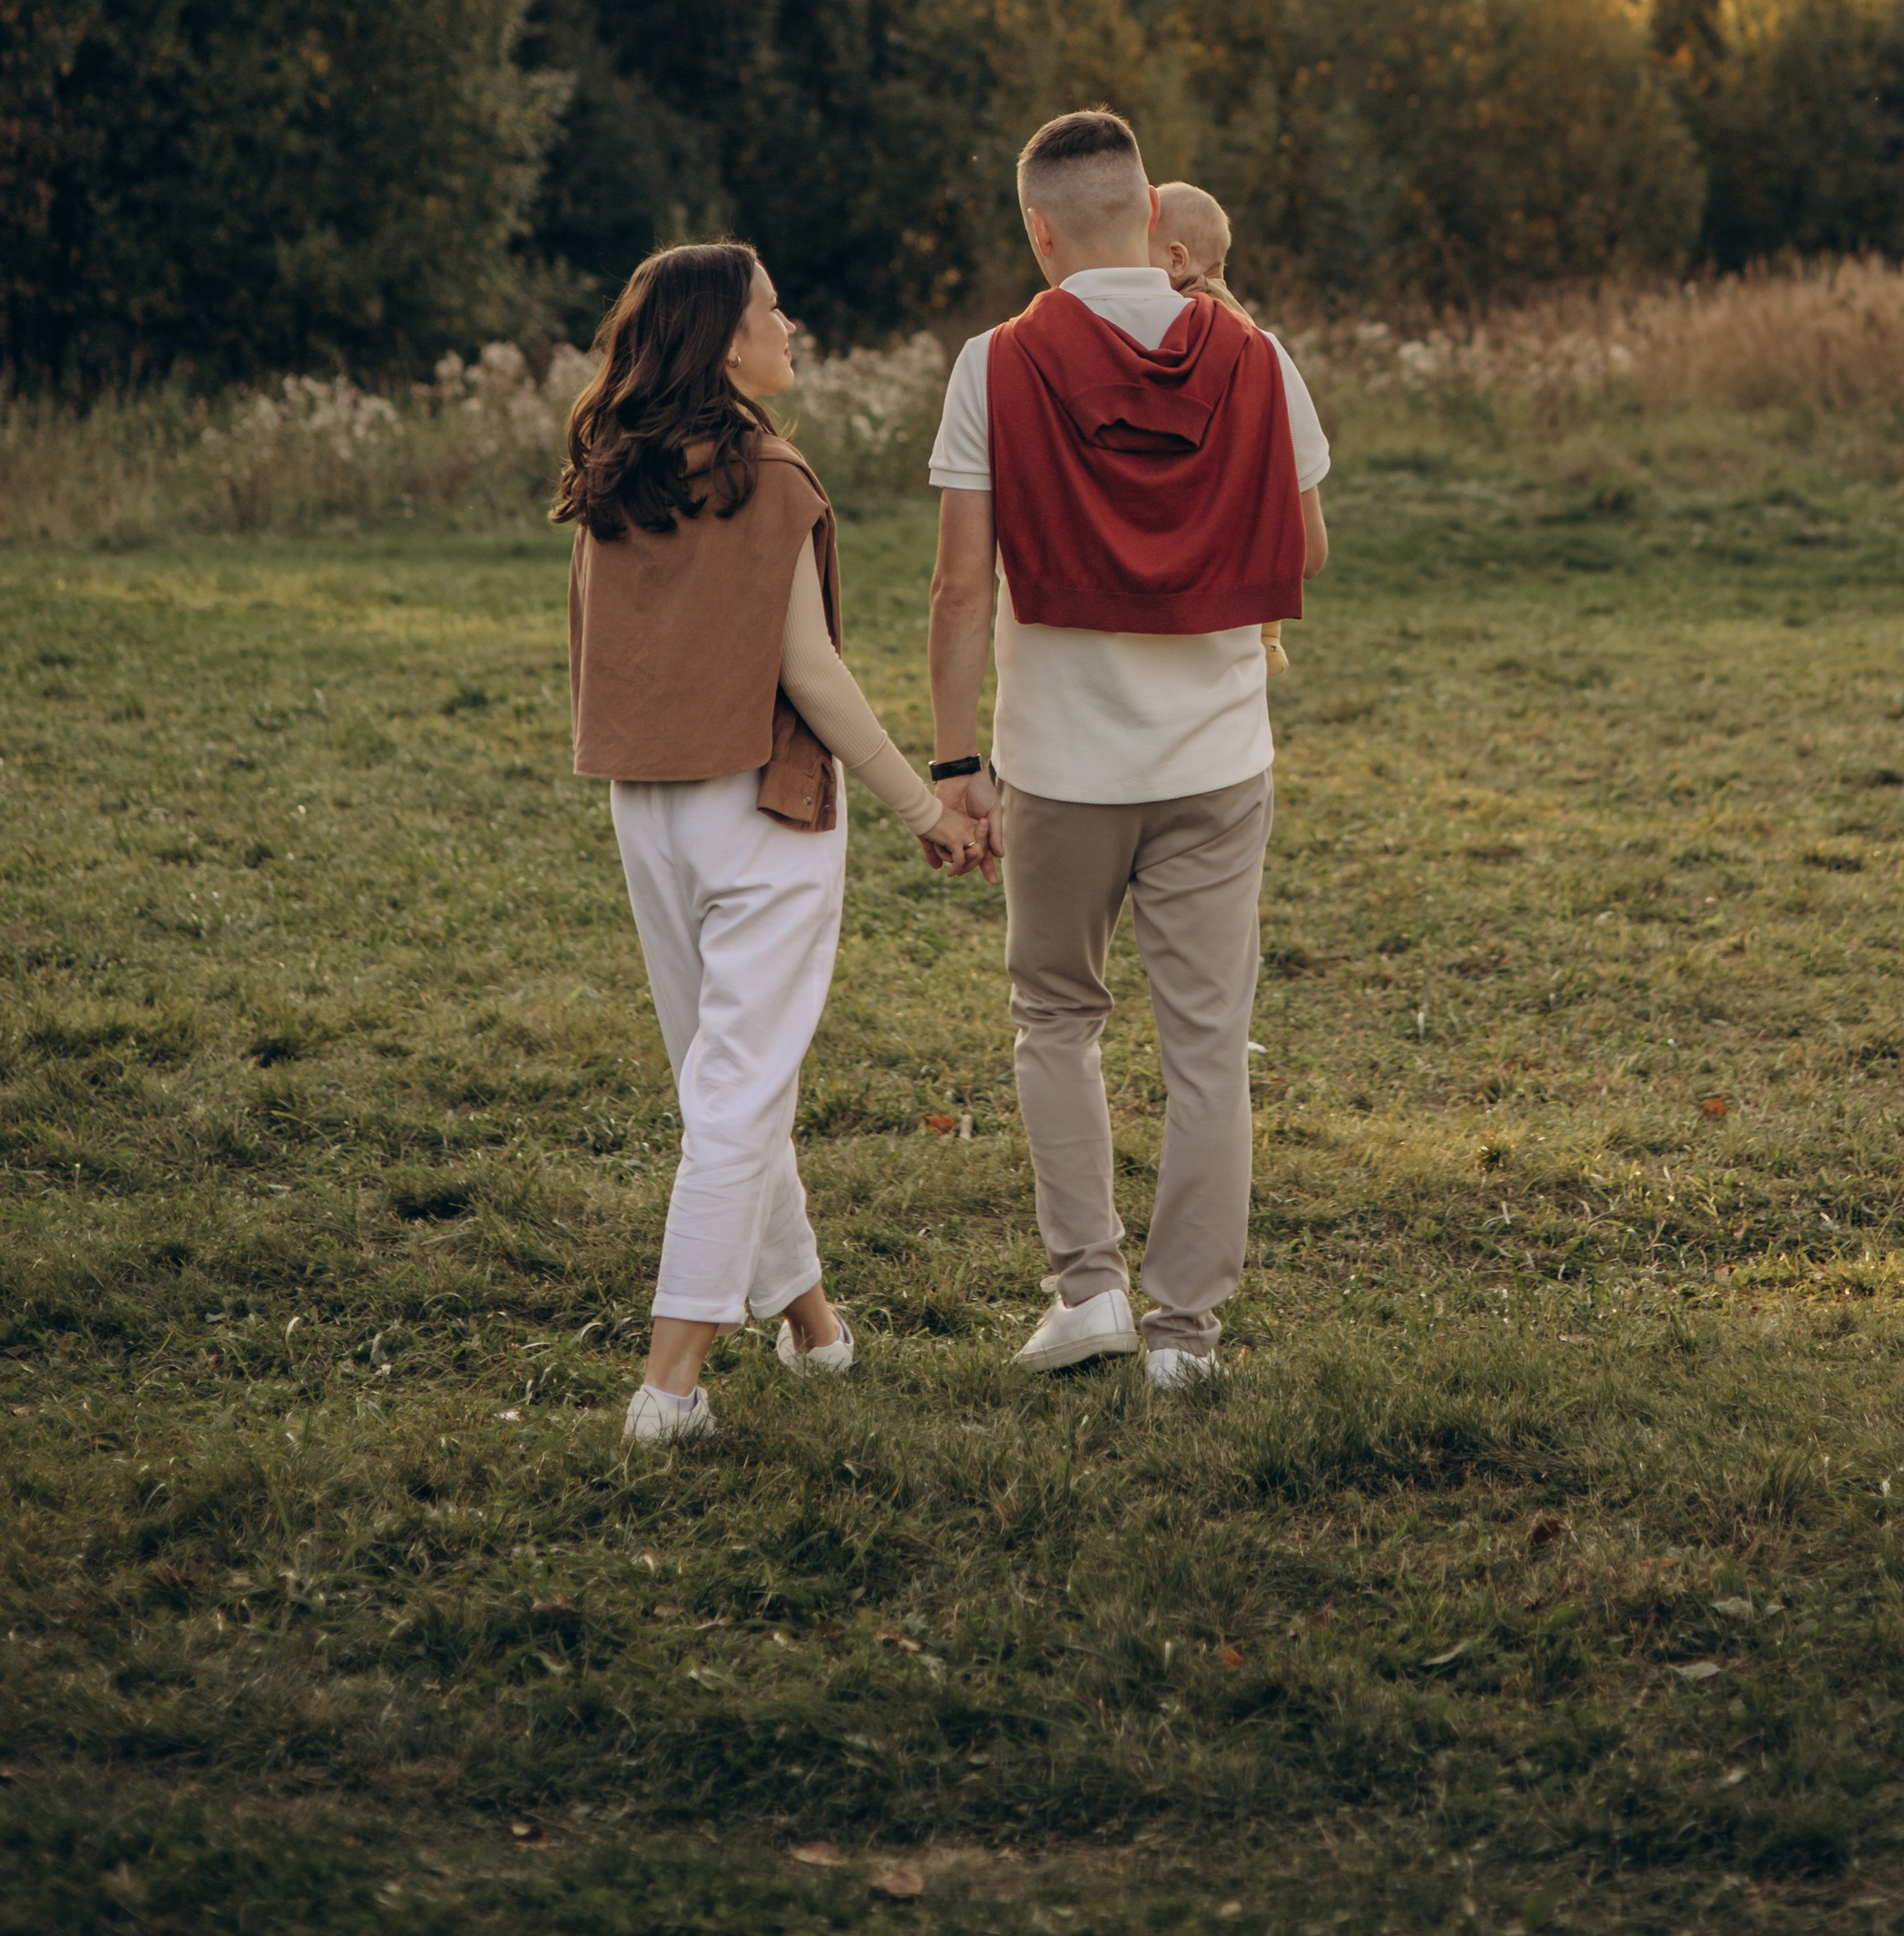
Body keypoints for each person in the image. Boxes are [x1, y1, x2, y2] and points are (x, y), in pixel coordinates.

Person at [924, 112, 1330, 1391]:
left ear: (1040, 230)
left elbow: (956, 586)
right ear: (1154, 212)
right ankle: (1185, 1338)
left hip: (1061, 764)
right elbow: (1306, 549)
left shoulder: (994, 362)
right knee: (1207, 1044)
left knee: (1057, 1017)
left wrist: (952, 766)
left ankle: (1087, 1290)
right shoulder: (1259, 357)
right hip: (1216, 759)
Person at [557, 241, 985, 1442]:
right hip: (760, 810)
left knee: (731, 1084)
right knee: (737, 1098)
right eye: (769, 308)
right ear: (722, 338)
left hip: (647, 806)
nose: (789, 322)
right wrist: (924, 803)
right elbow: (812, 672)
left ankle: (814, 1327)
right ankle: (670, 1385)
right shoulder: (769, 476)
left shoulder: (615, 470)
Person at [1150, 179, 1291, 677]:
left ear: (1175, 259)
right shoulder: (1244, 324)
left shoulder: (1206, 315)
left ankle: (1270, 638)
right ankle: (1268, 636)